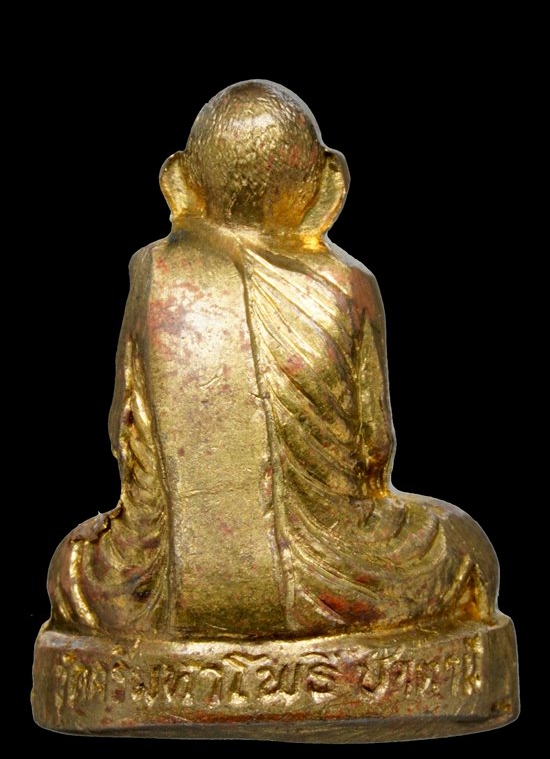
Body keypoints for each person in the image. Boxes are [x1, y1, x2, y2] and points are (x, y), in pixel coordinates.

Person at [47, 80, 499, 639]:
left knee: (75, 568)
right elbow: (375, 450)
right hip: (335, 578)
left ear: (180, 183)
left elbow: (125, 433)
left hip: (164, 592)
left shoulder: (154, 275)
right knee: (461, 548)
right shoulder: (348, 285)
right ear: (328, 183)